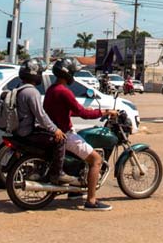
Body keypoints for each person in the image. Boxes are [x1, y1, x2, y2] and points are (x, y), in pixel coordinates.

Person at [44, 57, 118, 211]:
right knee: (96, 160)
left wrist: (85, 112)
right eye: (73, 73)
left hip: (54, 131)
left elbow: (65, 111)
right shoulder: (64, 91)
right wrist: (105, 112)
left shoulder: (52, 89)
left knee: (82, 154)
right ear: (68, 74)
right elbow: (82, 113)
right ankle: (91, 201)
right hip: (65, 134)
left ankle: (75, 192)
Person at [12, 58, 77, 186]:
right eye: (40, 73)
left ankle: (44, 166)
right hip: (27, 132)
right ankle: (57, 173)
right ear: (34, 75)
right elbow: (41, 116)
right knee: (60, 140)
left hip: (19, 131)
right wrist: (55, 130)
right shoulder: (32, 92)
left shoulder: (19, 88)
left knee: (49, 137)